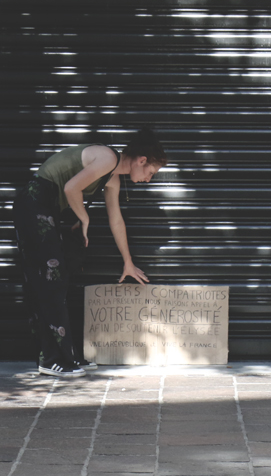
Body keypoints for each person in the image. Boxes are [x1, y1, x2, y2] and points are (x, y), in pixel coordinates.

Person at [14, 131, 167, 376]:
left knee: (56, 282)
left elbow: (116, 220)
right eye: (151, 172)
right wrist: (83, 218)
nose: (148, 179)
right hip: (34, 203)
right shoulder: (107, 158)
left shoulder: (113, 177)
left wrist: (128, 262)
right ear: (141, 160)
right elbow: (71, 187)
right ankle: (53, 359)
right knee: (51, 282)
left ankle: (65, 355)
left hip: (45, 209)